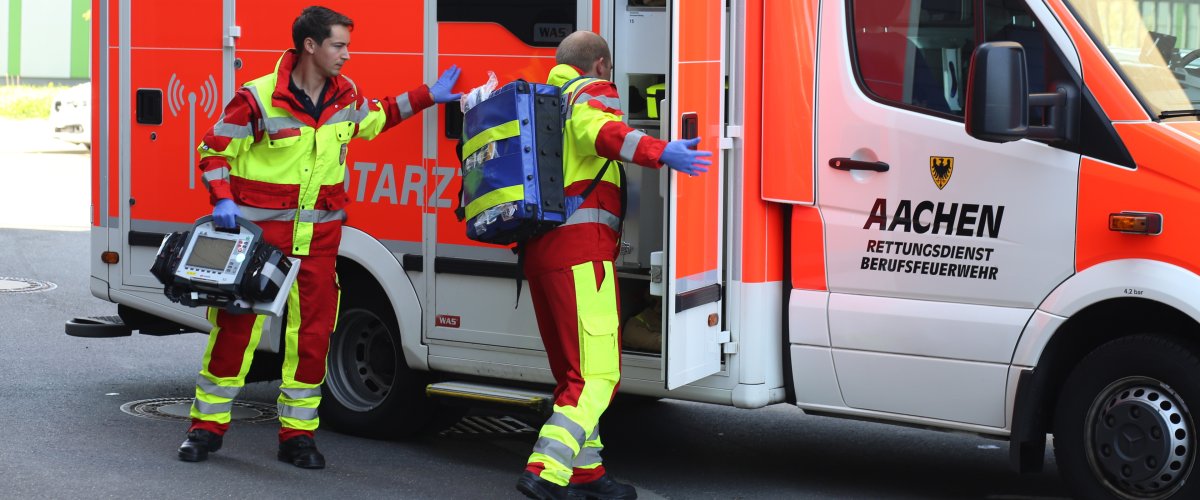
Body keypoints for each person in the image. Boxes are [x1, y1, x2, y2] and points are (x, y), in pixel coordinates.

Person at [179, 5, 462, 469]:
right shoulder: (257, 98)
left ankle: (298, 437)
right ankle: (204, 429)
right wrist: (222, 199)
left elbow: (375, 118)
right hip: (261, 242)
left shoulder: (345, 93)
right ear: (310, 45)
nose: (347, 55)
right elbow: (211, 151)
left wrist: (427, 95)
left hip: (319, 242)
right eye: (339, 45)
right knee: (235, 333)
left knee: (312, 339)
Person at [515, 30, 712, 500]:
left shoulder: (545, 99)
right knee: (598, 375)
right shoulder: (586, 94)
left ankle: (586, 475)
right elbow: (601, 132)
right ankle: (546, 470)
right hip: (580, 256)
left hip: (543, 256)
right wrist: (662, 152)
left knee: (573, 376)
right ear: (601, 64)